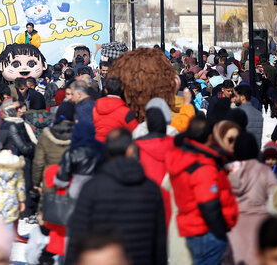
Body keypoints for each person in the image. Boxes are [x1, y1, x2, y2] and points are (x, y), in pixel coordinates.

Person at [66, 129, 166, 265]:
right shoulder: (151, 189)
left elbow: (77, 235)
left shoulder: (92, 188)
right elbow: (159, 241)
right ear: (131, 150)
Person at [166, 115, 238, 265]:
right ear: (209, 137)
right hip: (206, 230)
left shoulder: (184, 157)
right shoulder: (202, 165)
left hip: (193, 227)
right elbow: (208, 203)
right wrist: (219, 231)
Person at [227, 132, 277, 265]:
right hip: (260, 223)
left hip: (234, 222)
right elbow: (276, 198)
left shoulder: (228, 170)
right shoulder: (263, 170)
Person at [92, 77, 138, 142]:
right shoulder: (126, 112)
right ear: (122, 89)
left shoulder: (95, 108)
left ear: (105, 90)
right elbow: (135, 131)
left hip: (98, 145)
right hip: (117, 146)